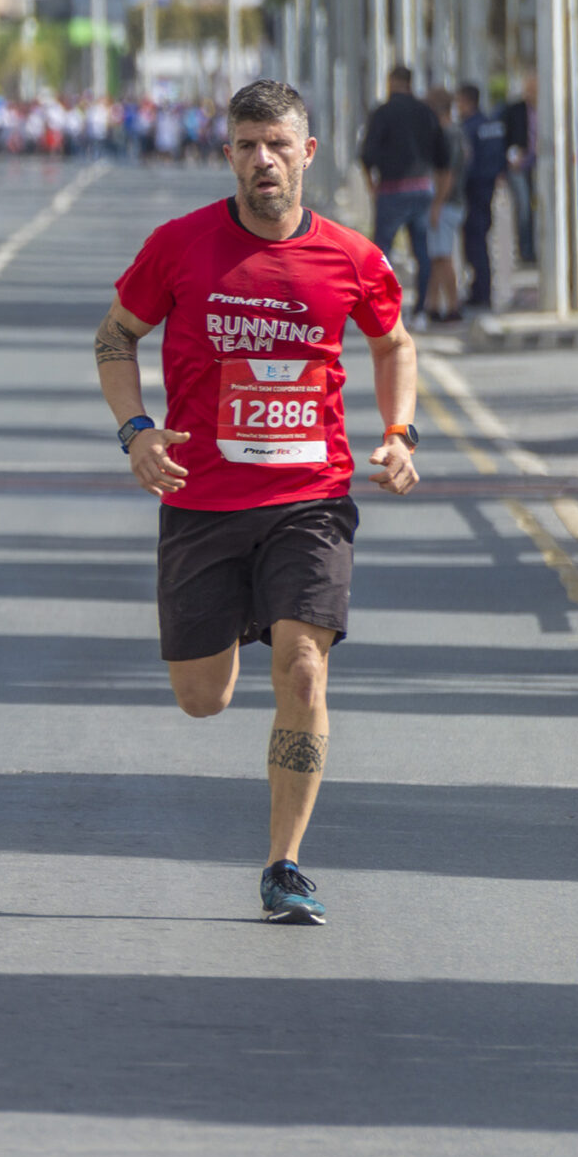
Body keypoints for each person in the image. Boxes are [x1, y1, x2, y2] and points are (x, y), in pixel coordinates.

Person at [95, 78, 419, 926]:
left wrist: (399, 432)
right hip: (202, 501)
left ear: (308, 153)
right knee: (202, 698)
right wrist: (136, 430)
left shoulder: (352, 256)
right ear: (229, 154)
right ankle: (243, 621)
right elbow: (116, 334)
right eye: (247, 144)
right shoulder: (180, 245)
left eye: (278, 143)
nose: (263, 159)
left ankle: (285, 863)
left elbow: (394, 343)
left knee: (305, 664)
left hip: (309, 497)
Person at [358, 65, 449, 298]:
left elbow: (367, 155)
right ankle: (420, 308)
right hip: (422, 188)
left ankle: (379, 301)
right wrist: (438, 199)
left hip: (392, 190)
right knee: (421, 251)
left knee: (380, 252)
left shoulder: (382, 112)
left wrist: (372, 186)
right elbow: (443, 158)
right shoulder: (426, 112)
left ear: (391, 82)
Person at [420, 88, 469, 326]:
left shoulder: (447, 134)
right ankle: (433, 304)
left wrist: (437, 205)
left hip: (446, 203)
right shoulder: (457, 133)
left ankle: (452, 304)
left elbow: (447, 173)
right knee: (437, 256)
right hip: (451, 202)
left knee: (443, 255)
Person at [456, 83, 505, 310]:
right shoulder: (492, 125)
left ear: (466, 101)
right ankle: (482, 289)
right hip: (488, 188)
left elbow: (465, 162)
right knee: (481, 239)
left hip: (472, 190)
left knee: (474, 243)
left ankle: (481, 292)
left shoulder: (468, 128)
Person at [502, 75, 538, 265]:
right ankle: (526, 250)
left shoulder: (549, 109)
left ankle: (539, 246)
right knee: (524, 206)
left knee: (541, 208)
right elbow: (505, 135)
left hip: (541, 164)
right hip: (519, 164)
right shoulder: (515, 110)